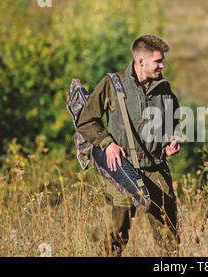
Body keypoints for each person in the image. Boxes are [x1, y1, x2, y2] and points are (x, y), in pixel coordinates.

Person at [77, 35, 181, 256]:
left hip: (156, 170)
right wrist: (107, 144)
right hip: (122, 171)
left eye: (162, 61)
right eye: (158, 61)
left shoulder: (164, 88)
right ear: (141, 61)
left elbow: (175, 119)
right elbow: (86, 121)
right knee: (116, 236)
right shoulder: (112, 84)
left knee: (168, 238)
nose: (162, 65)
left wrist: (173, 138)